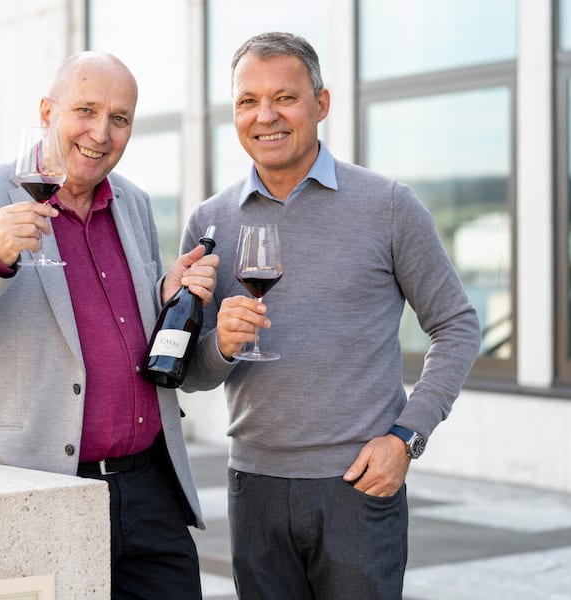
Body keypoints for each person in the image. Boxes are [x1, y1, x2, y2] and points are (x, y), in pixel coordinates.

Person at [0, 51, 218, 599]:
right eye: (85, 110)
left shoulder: (134, 203)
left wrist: (163, 297)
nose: (101, 133)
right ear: (47, 111)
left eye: (119, 118)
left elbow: (123, 331)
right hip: (38, 492)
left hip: (150, 490)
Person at [181, 32, 481, 598]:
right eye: (248, 101)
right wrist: (219, 344)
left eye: (285, 98)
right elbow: (191, 373)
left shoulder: (388, 205)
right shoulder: (210, 222)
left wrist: (407, 437)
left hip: (358, 486)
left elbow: (457, 325)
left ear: (321, 103)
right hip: (253, 487)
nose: (265, 116)